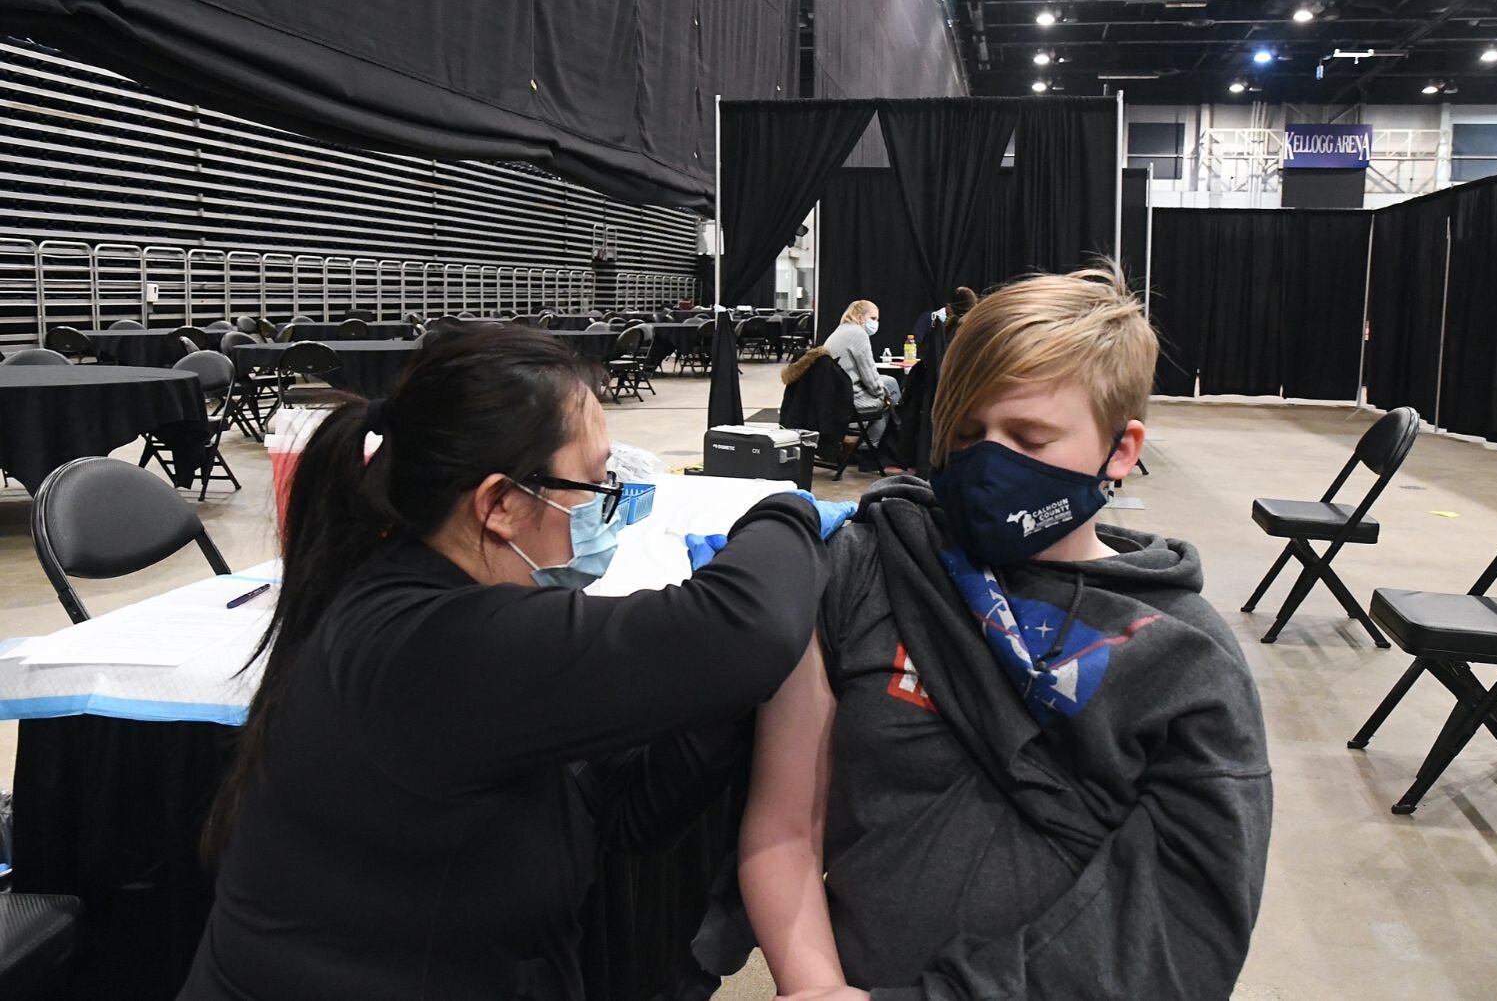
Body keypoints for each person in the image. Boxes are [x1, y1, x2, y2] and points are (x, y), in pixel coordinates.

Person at [180, 327, 852, 1000]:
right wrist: (782, 509)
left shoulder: (435, 604)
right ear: (499, 504)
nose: (600, 509)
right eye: (590, 484)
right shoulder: (435, 644)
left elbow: (620, 812)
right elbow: (748, 628)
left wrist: (711, 704)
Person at [739, 266, 1272, 1000]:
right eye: (966, 434)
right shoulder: (872, 567)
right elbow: (783, 828)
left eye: (1029, 437)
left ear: (1120, 450)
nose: (989, 464)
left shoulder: (1181, 657)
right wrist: (820, 988)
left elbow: (1175, 933)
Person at [822, 299, 901, 453]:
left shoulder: (840, 331)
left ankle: (868, 444)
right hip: (848, 401)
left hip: (832, 397)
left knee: (888, 385)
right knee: (890, 390)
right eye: (873, 319)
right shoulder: (858, 334)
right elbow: (871, 378)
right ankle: (871, 449)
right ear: (859, 317)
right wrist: (884, 397)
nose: (876, 323)